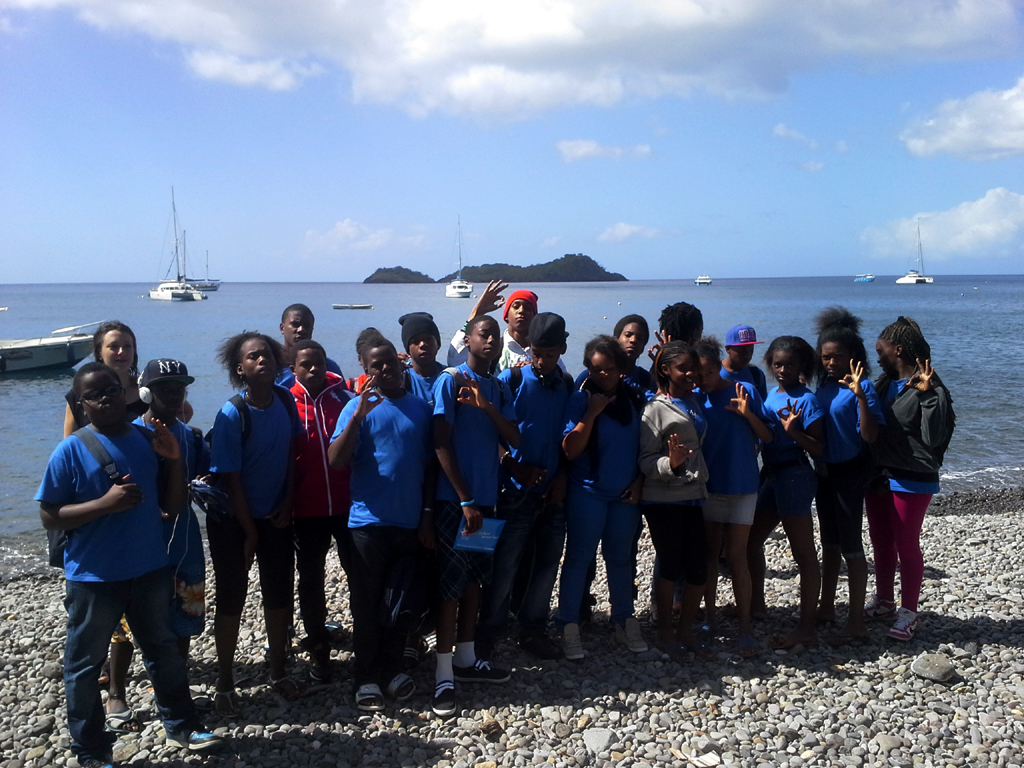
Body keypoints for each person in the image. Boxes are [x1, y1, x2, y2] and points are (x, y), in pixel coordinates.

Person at [37, 363, 221, 766]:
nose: (106, 398)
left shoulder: (147, 438)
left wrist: (173, 461)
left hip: (150, 569)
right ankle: (90, 750)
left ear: (126, 392)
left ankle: (182, 726)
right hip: (94, 578)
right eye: (94, 395)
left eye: (112, 389)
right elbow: (49, 515)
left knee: (163, 652)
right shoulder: (70, 449)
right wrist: (104, 504)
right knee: (83, 667)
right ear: (82, 405)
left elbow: (171, 508)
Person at [328, 336, 435, 711]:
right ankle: (366, 677)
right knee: (366, 605)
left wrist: (425, 516)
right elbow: (336, 460)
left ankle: (391, 671)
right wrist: (357, 417)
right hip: (367, 526)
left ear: (401, 363)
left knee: (399, 601)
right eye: (377, 365)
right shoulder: (355, 408)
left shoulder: (422, 409)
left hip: (409, 524)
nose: (386, 369)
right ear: (366, 370)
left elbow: (428, 469)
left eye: (391, 361)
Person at [207, 332, 304, 716]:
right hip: (233, 520)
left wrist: (288, 501)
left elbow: (293, 456)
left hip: (275, 515)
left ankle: (278, 670)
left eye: (266, 354)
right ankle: (225, 681)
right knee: (232, 597)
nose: (262, 360)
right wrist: (249, 531)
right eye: (253, 357)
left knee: (279, 593)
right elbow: (231, 481)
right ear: (240, 369)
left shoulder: (284, 400)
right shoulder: (232, 414)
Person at [60, 321, 149, 732]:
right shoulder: (84, 393)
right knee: (98, 608)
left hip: (140, 514)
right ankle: (110, 685)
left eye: (127, 346)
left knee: (133, 609)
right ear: (99, 353)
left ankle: (116, 681)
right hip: (97, 516)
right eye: (114, 346)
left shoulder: (145, 390)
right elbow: (71, 446)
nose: (121, 352)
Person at [431, 315, 520, 716]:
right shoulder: (451, 380)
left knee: (474, 582)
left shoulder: (497, 386)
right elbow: (440, 444)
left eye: (495, 337)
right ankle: (443, 673)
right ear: (467, 339)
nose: (491, 342)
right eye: (485, 335)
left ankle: (467, 660)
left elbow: (515, 438)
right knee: (449, 586)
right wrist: (464, 498)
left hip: (488, 500)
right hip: (457, 503)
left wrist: (487, 407)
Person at [478, 313, 573, 661]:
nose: (543, 360)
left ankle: (533, 629)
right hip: (514, 490)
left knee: (548, 564)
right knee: (505, 564)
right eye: (536, 352)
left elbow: (569, 437)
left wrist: (562, 476)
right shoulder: (510, 379)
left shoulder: (567, 384)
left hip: (552, 493)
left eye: (550, 354)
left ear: (562, 349)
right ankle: (489, 631)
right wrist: (514, 466)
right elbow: (491, 434)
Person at [556, 336, 647, 660]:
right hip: (588, 493)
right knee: (579, 559)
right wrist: (591, 414)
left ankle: (624, 618)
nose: (602, 376)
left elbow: (644, 448)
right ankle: (568, 624)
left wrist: (640, 482)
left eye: (609, 369)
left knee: (621, 559)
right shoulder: (581, 399)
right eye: (595, 370)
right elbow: (569, 450)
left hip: (625, 495)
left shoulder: (635, 399)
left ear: (621, 369)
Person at [865, 317, 955, 642]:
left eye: (881, 350)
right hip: (879, 475)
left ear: (898, 349)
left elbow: (933, 438)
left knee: (906, 544)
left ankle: (909, 613)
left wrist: (929, 396)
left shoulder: (931, 386)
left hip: (913, 478)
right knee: (880, 540)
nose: (877, 357)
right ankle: (885, 600)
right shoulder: (883, 383)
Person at [694, 336, 774, 658]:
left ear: (718, 367)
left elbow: (767, 435)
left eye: (707, 373)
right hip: (709, 487)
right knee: (711, 555)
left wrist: (747, 414)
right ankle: (710, 619)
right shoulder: (694, 397)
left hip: (743, 486)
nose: (701, 380)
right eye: (696, 375)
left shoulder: (746, 391)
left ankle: (745, 627)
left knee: (737, 556)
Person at [745, 337, 825, 649]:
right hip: (772, 475)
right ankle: (756, 605)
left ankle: (806, 628)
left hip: (795, 475)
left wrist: (794, 433)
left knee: (804, 556)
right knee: (752, 540)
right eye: (777, 364)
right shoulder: (773, 396)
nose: (782, 370)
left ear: (802, 367)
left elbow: (819, 448)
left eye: (789, 365)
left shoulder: (807, 401)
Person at [813, 307, 883, 643]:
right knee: (829, 543)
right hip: (824, 473)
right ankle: (826, 606)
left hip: (851, 474)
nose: (830, 363)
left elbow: (869, 436)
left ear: (853, 356)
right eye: (825, 357)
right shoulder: (823, 386)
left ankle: (856, 622)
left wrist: (860, 399)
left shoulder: (864, 387)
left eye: (837, 356)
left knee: (852, 547)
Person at [638, 341, 711, 660]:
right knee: (670, 563)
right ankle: (666, 631)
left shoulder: (695, 401)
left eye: (694, 367)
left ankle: (686, 630)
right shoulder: (654, 409)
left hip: (694, 494)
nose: (692, 373)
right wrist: (673, 463)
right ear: (665, 370)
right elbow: (645, 460)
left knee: (698, 566)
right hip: (664, 498)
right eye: (684, 368)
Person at [134, 359, 209, 663]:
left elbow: (209, 476)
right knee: (132, 621)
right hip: (140, 541)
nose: (175, 394)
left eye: (180, 388)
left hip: (185, 543)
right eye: (165, 389)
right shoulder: (131, 436)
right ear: (146, 393)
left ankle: (179, 675)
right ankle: (117, 687)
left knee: (184, 617)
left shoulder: (192, 437)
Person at [288, 339, 354, 682]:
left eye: (318, 362)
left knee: (358, 573)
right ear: (293, 369)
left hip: (347, 504)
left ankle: (369, 642)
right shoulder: (286, 403)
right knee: (310, 580)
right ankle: (318, 649)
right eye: (305, 365)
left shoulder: (343, 397)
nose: (312, 369)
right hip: (306, 509)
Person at [447, 282, 567, 373]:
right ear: (506, 316)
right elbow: (454, 359)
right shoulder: (494, 347)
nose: (521, 311)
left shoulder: (544, 351)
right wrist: (476, 313)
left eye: (528, 308)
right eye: (516, 306)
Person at [276, 303, 343, 388]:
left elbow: (342, 397)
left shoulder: (328, 366)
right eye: (295, 325)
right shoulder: (272, 366)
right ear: (282, 328)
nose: (301, 330)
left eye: (307, 325)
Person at [399, 312, 444, 405]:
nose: (423, 344)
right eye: (415, 341)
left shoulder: (450, 376)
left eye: (428, 339)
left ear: (438, 344)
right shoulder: (401, 379)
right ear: (408, 350)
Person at [720, 324, 768, 400]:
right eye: (742, 351)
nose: (747, 355)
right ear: (728, 349)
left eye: (751, 350)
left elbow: (762, 406)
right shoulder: (713, 371)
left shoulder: (756, 374)